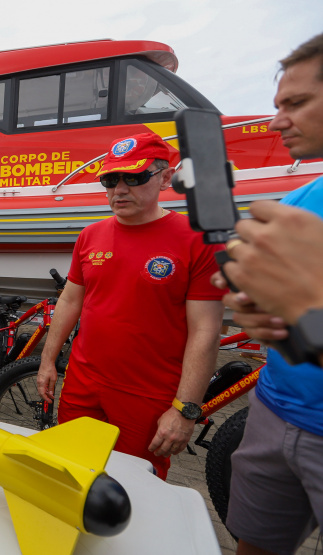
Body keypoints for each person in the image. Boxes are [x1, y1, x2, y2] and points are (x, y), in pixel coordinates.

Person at [35, 132, 224, 480]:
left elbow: (206, 330)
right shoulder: (90, 235)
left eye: (134, 178)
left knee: (133, 487)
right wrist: (48, 361)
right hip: (83, 383)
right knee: (70, 472)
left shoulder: (196, 240)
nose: (119, 189)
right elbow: (70, 300)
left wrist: (185, 410)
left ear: (166, 177)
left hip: (148, 394)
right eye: (110, 179)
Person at [214, 33, 323, 555]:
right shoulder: (299, 201)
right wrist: (257, 309)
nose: (278, 122)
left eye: (296, 103)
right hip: (274, 412)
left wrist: (312, 317)